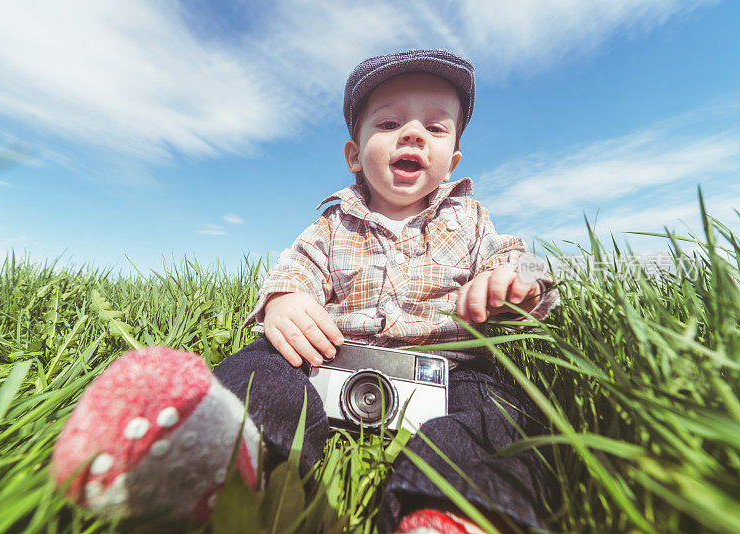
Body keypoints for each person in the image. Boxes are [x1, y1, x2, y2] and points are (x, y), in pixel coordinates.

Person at [52, 49, 560, 533]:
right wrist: (284, 302)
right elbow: (294, 270)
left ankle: (452, 512)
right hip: (331, 359)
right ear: (354, 155)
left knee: (497, 412)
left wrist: (518, 283)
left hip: (448, 370)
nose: (412, 135)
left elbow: (516, 256)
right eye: (388, 124)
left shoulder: (470, 219)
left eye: (434, 127)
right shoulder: (334, 225)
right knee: (263, 366)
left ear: (451, 160)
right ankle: (223, 453)